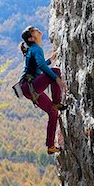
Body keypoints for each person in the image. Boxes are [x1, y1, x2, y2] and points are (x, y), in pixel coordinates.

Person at [18, 26, 67, 155]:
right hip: (31, 86)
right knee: (55, 72)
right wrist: (57, 79)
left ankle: (51, 146)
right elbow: (41, 66)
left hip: (27, 88)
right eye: (34, 30)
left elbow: (38, 67)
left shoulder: (32, 49)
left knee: (53, 113)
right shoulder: (36, 48)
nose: (38, 30)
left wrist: (50, 59)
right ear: (31, 38)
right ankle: (57, 102)